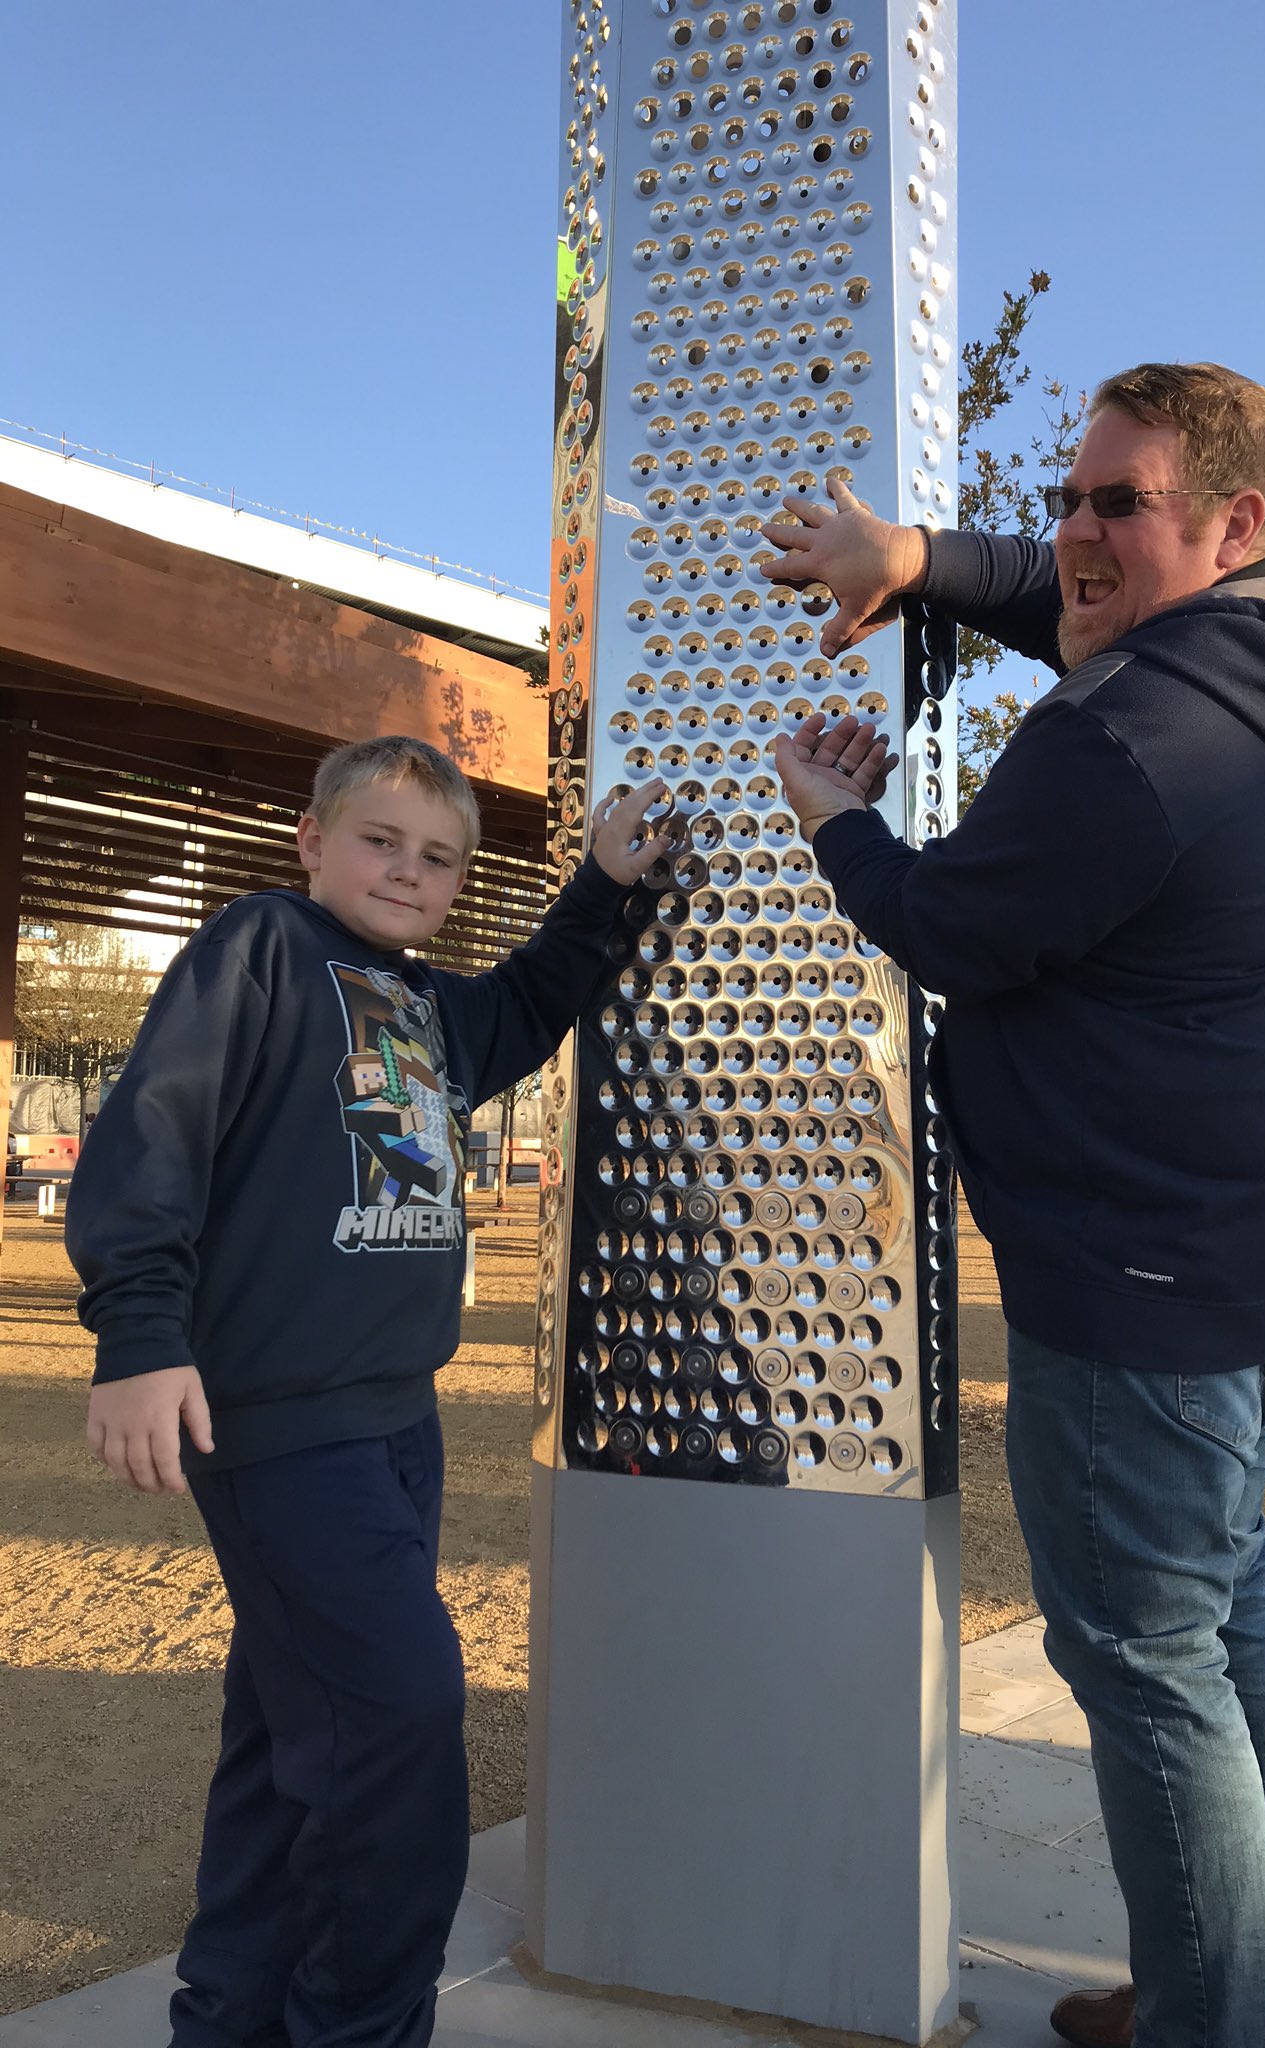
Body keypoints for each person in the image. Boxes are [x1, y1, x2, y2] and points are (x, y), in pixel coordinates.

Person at [765, 363, 1265, 2048]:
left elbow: (953, 924)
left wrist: (839, 822)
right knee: (1222, 1613)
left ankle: (1215, 2019)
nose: (1071, 531)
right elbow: (1081, 599)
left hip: (1143, 1299)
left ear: (1236, 522)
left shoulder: (1129, 740)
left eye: (1115, 503)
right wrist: (921, 557)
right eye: (1067, 495)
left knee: (1147, 1665)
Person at [67, 736, 675, 2048]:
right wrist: (139, 1339)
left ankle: (229, 2022)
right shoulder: (262, 949)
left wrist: (604, 889)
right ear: (312, 841)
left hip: (397, 1421)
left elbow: (534, 998)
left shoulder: (430, 1006)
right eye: (380, 841)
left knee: (296, 1744)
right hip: (284, 1424)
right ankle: (361, 2027)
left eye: (439, 858)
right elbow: (153, 1130)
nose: (409, 871)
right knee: (399, 1719)